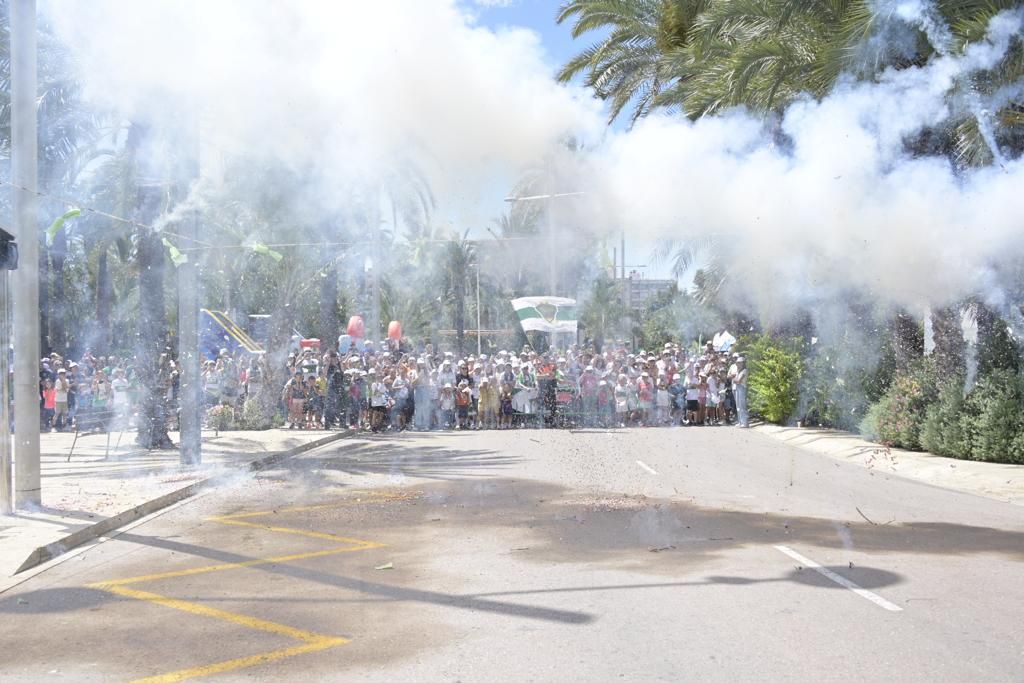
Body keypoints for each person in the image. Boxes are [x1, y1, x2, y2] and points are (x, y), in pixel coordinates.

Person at [733, 357, 749, 427]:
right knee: (738, 406)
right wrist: (735, 380)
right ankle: (740, 422)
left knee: (742, 405)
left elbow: (738, 380)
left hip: (742, 388)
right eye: (738, 363)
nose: (738, 364)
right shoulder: (738, 371)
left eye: (740, 363)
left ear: (743, 363)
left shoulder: (744, 371)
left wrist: (735, 380)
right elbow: (736, 380)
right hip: (738, 388)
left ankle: (745, 422)